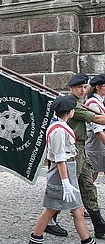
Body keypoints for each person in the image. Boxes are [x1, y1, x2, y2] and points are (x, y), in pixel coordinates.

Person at [29, 95, 96, 244]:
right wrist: (66, 183)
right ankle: (35, 238)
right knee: (50, 210)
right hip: (62, 173)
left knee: (76, 210)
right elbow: (60, 159)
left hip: (66, 171)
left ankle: (87, 241)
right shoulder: (59, 130)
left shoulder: (59, 126)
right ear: (70, 111)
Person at [46, 73, 105, 239]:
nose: (82, 90)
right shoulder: (71, 104)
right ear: (71, 88)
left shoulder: (78, 103)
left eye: (84, 86)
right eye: (79, 87)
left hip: (80, 150)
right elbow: (97, 120)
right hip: (72, 152)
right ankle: (49, 220)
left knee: (87, 186)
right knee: (66, 187)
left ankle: (98, 224)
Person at [85, 74, 105, 181]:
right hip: (95, 145)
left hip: (101, 144)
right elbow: (97, 130)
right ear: (98, 87)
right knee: (92, 175)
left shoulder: (100, 102)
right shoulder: (92, 104)